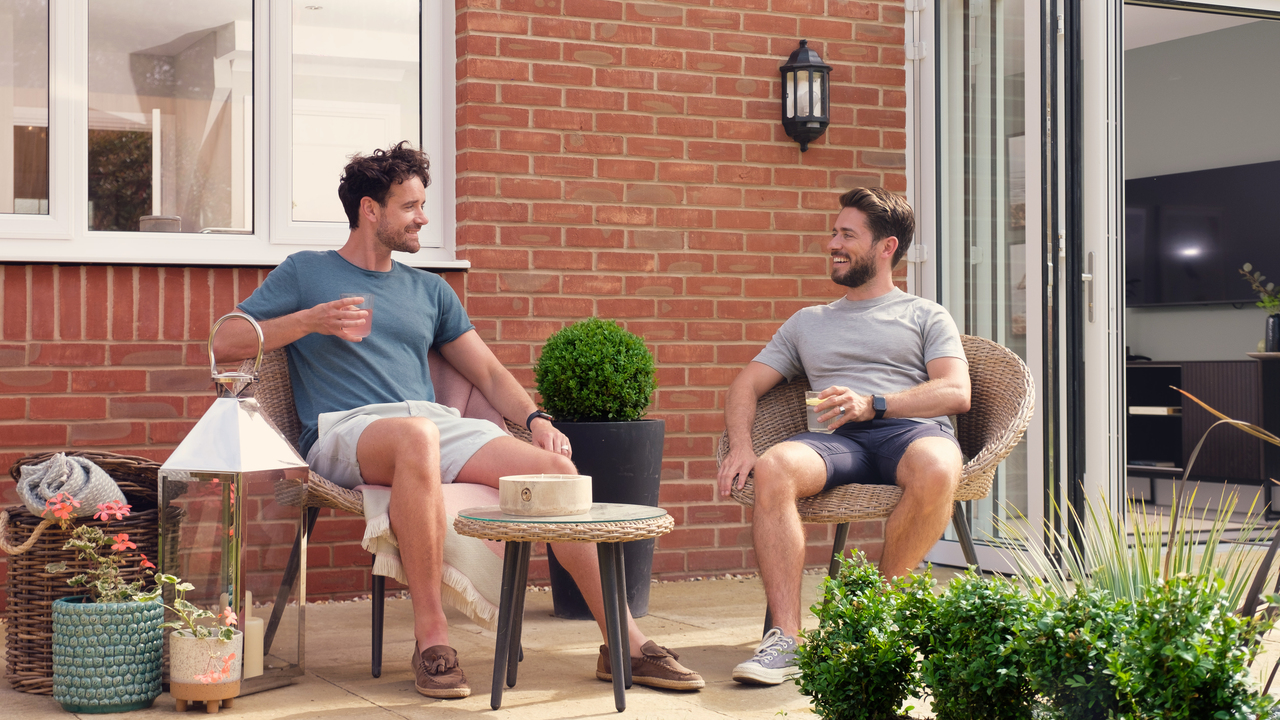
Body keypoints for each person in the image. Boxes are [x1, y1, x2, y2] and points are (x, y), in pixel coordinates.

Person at [213, 141, 703, 699]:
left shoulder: (429, 290)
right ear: (370, 211)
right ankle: (432, 638)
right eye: (410, 207)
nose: (423, 218)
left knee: (554, 476)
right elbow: (226, 341)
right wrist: (309, 320)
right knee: (417, 436)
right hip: (346, 430)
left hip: (432, 424)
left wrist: (537, 417)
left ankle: (624, 642)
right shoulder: (307, 273)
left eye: (424, 205)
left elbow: (490, 374)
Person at [717, 187, 971, 686]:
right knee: (775, 467)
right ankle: (785, 640)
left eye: (847, 235)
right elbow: (747, 383)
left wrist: (875, 403)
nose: (833, 243)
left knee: (940, 466)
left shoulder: (925, 314)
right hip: (836, 441)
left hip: (909, 433)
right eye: (834, 233)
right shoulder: (808, 322)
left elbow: (955, 391)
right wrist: (743, 446)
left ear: (886, 247)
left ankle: (877, 620)